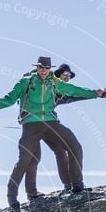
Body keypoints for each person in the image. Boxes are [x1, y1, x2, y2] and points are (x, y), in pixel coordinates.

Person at [0, 56, 102, 209]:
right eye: (41, 67)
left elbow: (73, 90)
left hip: (50, 123)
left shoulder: (53, 82)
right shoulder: (26, 82)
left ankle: (77, 185)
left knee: (74, 146)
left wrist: (95, 93)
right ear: (37, 67)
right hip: (31, 124)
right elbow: (11, 98)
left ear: (50, 69)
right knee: (27, 160)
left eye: (47, 68)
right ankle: (13, 197)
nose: (44, 70)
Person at [24, 63, 93, 194]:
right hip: (35, 124)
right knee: (34, 157)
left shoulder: (61, 91)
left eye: (69, 76)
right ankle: (32, 192)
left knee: (60, 151)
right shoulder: (48, 84)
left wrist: (95, 94)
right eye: (65, 75)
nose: (67, 78)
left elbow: (75, 96)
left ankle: (70, 184)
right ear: (58, 75)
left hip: (48, 124)